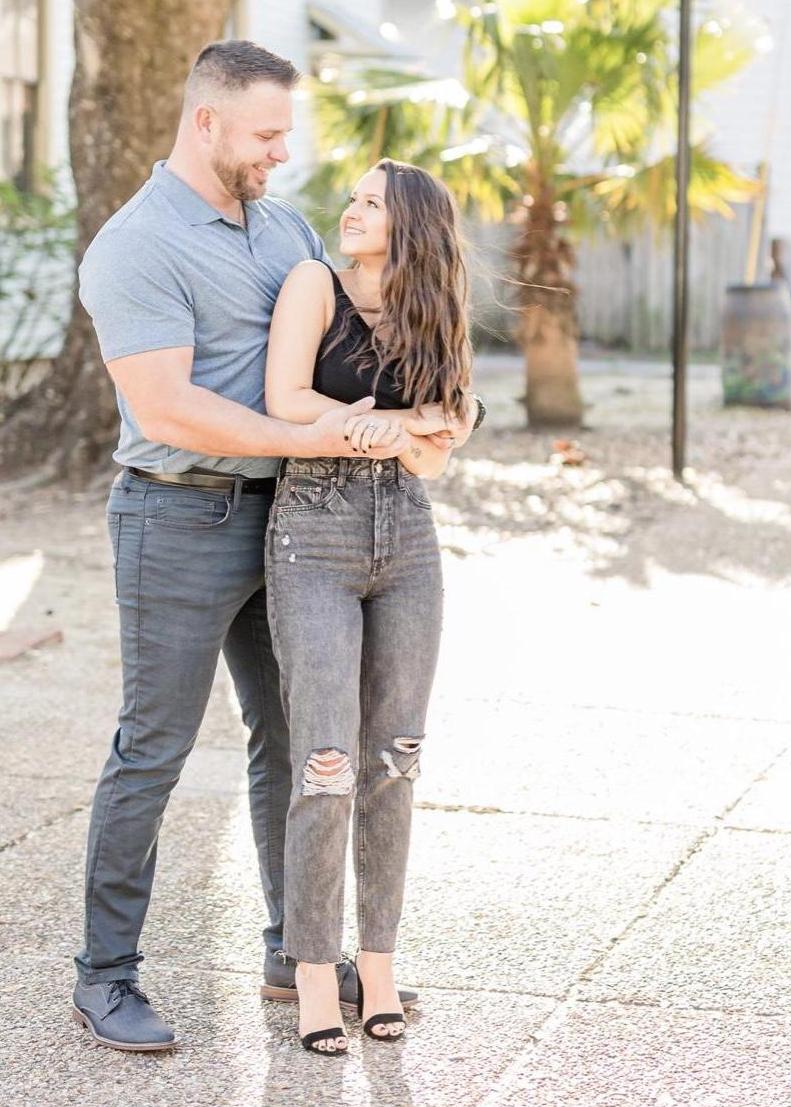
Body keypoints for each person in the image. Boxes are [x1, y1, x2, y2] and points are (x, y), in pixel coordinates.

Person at [71, 41, 476, 1052]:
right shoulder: (135, 246)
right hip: (177, 516)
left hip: (296, 525)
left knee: (297, 741)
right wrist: (336, 437)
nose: (280, 153)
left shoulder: (284, 228)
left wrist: (438, 412)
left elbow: (367, 343)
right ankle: (105, 975)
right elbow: (171, 409)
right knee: (154, 746)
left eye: (285, 135)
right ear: (205, 121)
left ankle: (293, 953)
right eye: (265, 135)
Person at [262, 158, 475, 1054]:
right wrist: (400, 426)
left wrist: (410, 430)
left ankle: (377, 968)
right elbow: (285, 401)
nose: (351, 211)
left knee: (397, 759)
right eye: (351, 198)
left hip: (408, 541)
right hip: (313, 535)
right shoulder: (314, 284)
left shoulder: (436, 306)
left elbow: (444, 442)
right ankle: (314, 972)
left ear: (411, 223)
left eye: (371, 202)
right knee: (325, 762)